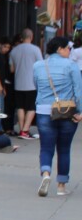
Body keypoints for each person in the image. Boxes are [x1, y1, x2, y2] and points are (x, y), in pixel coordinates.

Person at [32, 36, 82, 197]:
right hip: (67, 111)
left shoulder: (38, 65)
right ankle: (61, 186)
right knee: (64, 149)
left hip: (44, 110)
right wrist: (80, 112)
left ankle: (46, 174)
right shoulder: (71, 66)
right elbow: (78, 91)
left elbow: (36, 85)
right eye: (68, 48)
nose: (70, 51)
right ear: (60, 49)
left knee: (46, 147)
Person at [9, 28, 43, 139]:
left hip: (18, 84)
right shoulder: (36, 49)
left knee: (20, 107)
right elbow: (40, 66)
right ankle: (25, 130)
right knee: (31, 107)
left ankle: (21, 130)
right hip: (32, 84)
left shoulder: (14, 51)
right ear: (31, 37)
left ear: (21, 38)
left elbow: (12, 69)